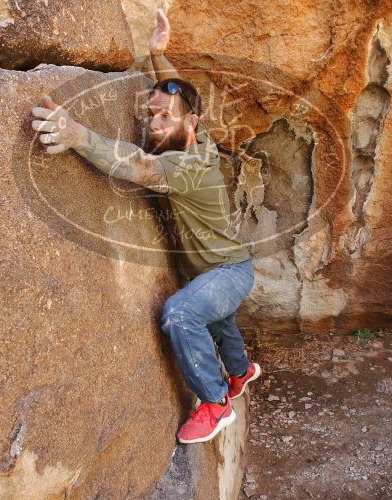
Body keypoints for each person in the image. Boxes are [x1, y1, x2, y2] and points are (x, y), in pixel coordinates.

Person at [30, 9, 260, 444]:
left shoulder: (184, 168)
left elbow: (137, 166)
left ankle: (216, 404)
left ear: (189, 123)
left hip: (229, 271)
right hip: (215, 270)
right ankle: (240, 371)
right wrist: (158, 55)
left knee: (182, 313)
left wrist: (77, 135)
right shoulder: (199, 138)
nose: (154, 125)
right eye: (152, 117)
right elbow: (178, 99)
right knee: (222, 325)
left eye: (163, 119)